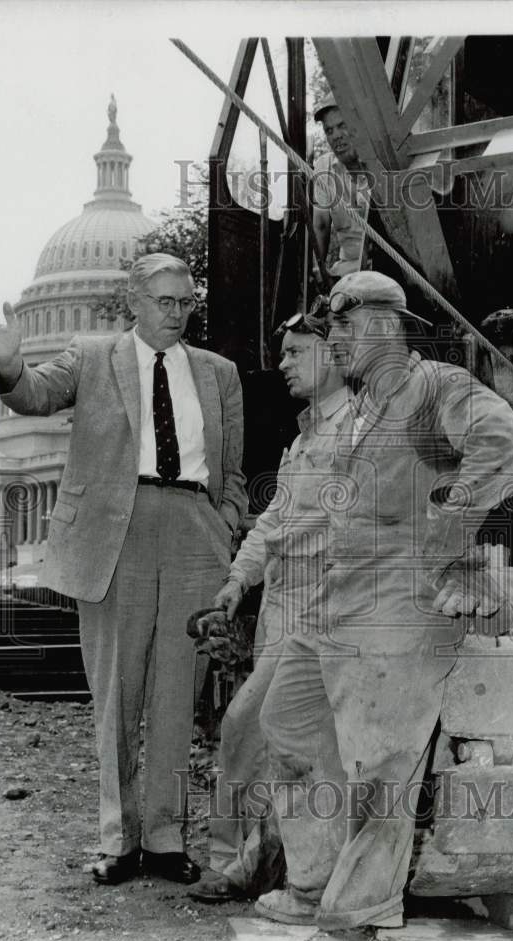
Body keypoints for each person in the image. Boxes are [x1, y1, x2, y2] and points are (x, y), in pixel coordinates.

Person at [253, 271, 513, 929]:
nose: (336, 344)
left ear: (381, 325)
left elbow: (508, 446)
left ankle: (361, 906)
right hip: (336, 603)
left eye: (344, 329)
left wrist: (448, 526)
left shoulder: (436, 388)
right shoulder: (361, 405)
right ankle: (312, 880)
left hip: (400, 608)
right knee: (288, 724)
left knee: (381, 767)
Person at [0, 253, 247, 886]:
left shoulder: (218, 372)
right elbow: (35, 395)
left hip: (193, 531)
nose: (178, 314)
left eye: (186, 303)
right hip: (113, 532)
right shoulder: (92, 356)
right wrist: (10, 363)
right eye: (166, 302)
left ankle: (167, 841)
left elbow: (232, 463)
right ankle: (118, 842)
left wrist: (224, 521)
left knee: (180, 693)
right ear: (135, 303)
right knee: (116, 694)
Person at [189, 312, 352, 903]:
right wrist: (236, 582)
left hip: (319, 610)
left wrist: (278, 542)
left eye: (294, 353)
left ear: (332, 356)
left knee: (251, 729)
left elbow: (331, 523)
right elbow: (275, 521)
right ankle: (261, 865)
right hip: (281, 606)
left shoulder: (358, 432)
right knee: (267, 745)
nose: (281, 364)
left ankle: (241, 865)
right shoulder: (305, 436)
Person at [311, 93, 372, 278]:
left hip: (383, 271)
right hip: (346, 273)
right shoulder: (323, 168)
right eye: (329, 131)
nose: (336, 136)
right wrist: (318, 271)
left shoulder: (378, 164)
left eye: (342, 126)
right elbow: (320, 224)